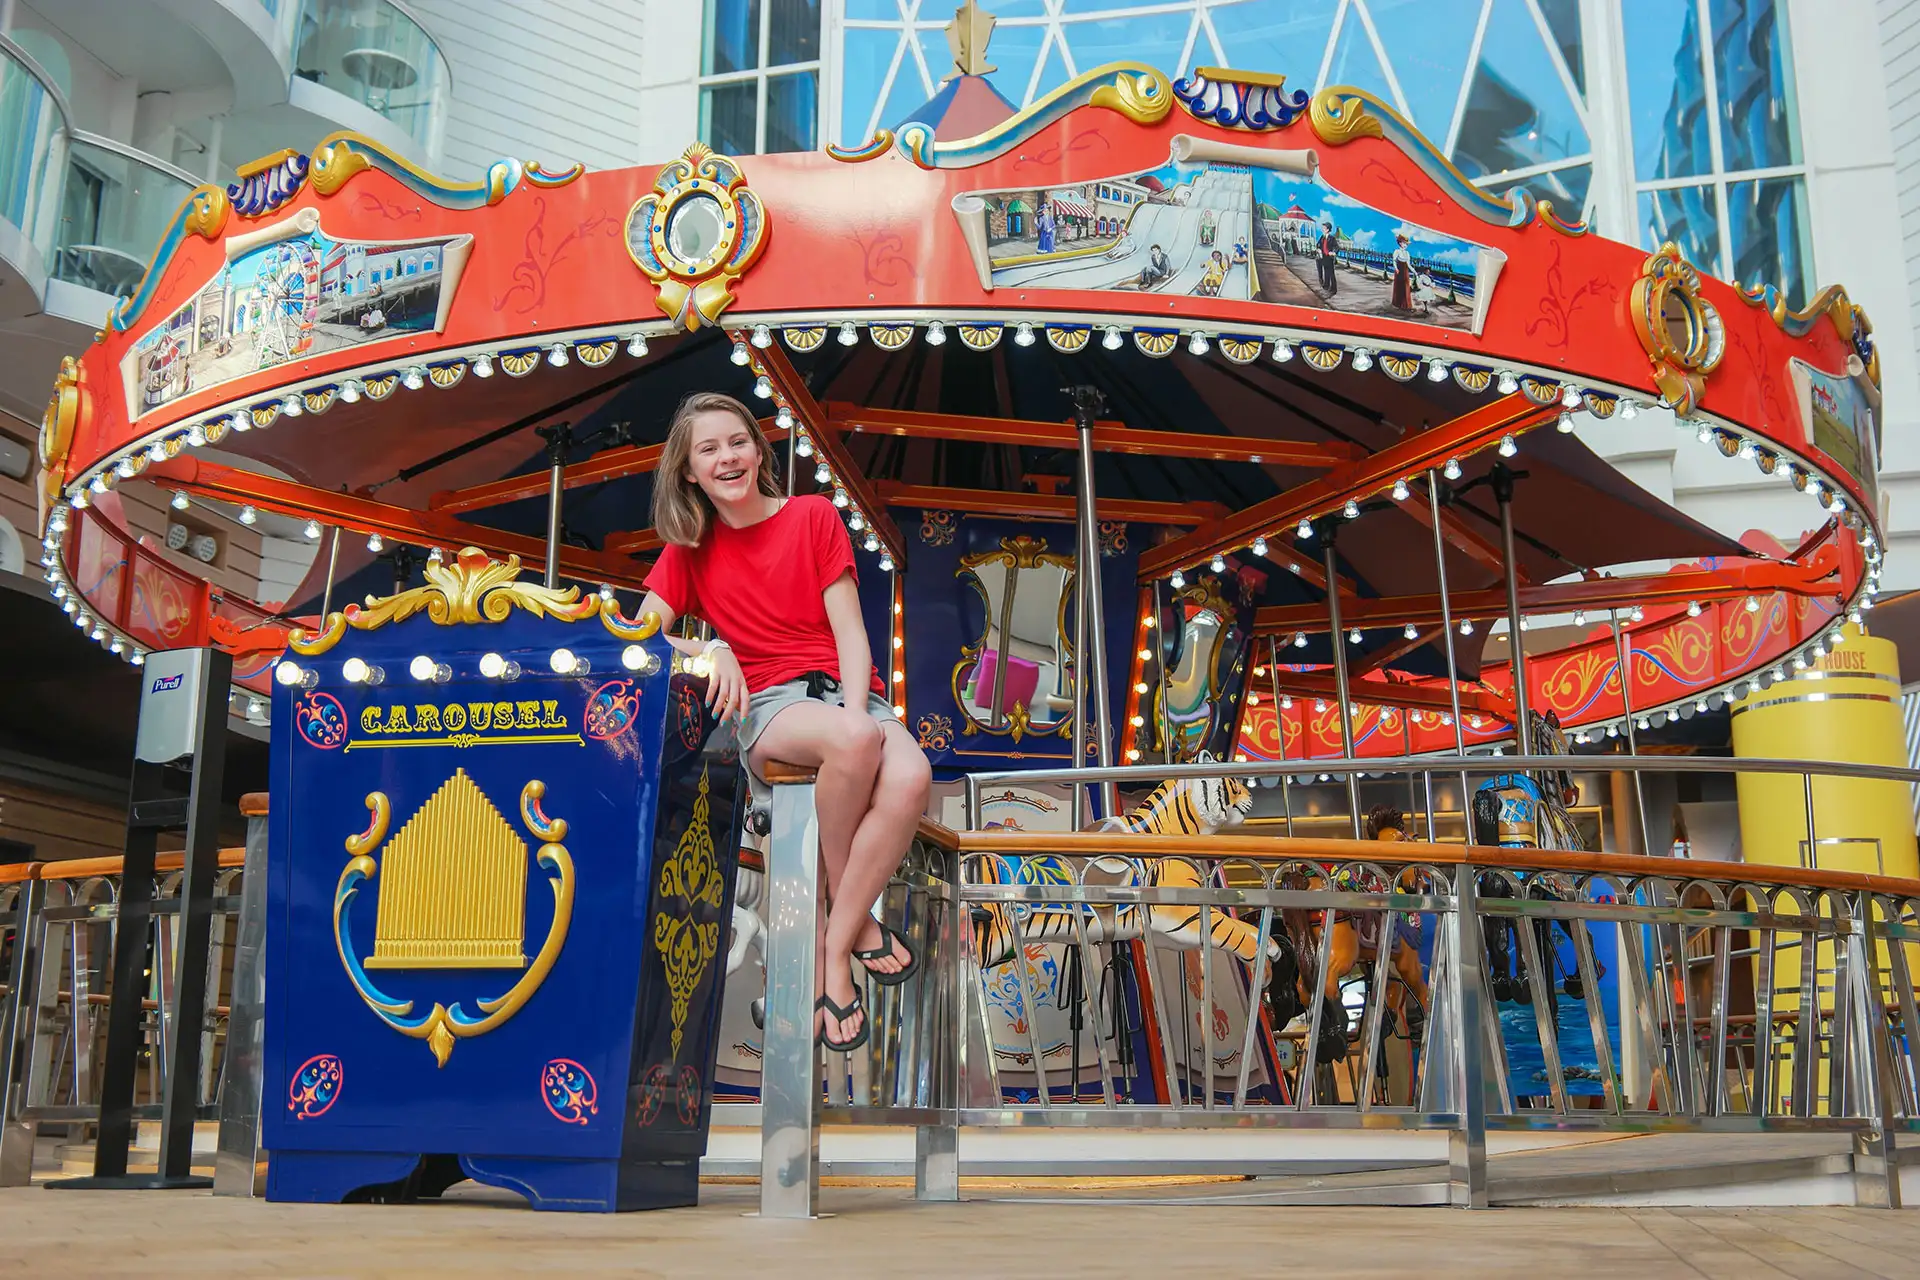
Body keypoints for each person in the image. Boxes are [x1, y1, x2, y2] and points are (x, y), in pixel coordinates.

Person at [637, 392, 933, 1051]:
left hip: (845, 696)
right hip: (771, 707)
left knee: (911, 774)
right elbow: (635, 642)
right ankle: (844, 949)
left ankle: (835, 936)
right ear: (688, 471)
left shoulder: (812, 515)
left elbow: (852, 635)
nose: (727, 457)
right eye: (708, 449)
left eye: (737, 441)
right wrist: (712, 649)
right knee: (857, 742)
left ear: (757, 450)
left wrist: (859, 717)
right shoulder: (690, 548)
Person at [1389, 232, 1414, 311]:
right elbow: (1394, 261)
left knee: (1406, 287)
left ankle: (1406, 305)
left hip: (1405, 271)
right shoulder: (1397, 251)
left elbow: (1409, 264)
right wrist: (1396, 268)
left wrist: (1414, 271)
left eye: (1407, 244)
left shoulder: (1407, 253)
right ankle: (1398, 304)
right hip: (1399, 271)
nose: (1406, 245)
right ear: (1400, 243)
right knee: (1399, 287)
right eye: (1404, 243)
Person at [1316, 219, 1339, 295]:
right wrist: (1318, 249)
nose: (1323, 229)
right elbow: (1318, 244)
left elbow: (1336, 247)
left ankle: (1333, 288)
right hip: (1323, 257)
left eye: (1324, 228)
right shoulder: (1322, 237)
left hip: (1329, 257)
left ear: (1328, 229)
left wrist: (1333, 252)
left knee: (1331, 273)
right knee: (1326, 271)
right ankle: (1326, 285)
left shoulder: (1332, 238)